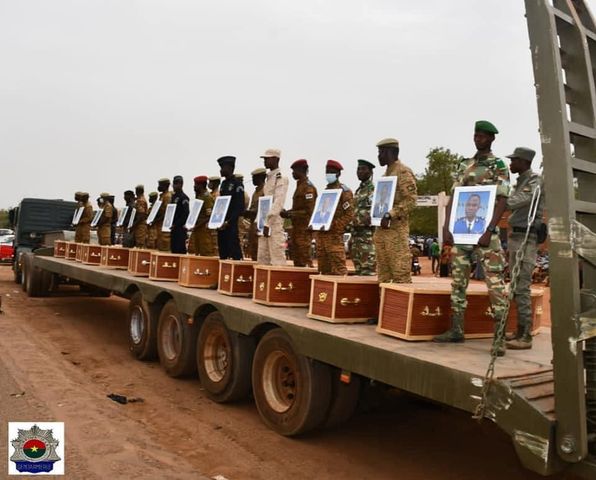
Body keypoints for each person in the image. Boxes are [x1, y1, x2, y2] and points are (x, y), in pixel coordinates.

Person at [433, 120, 510, 354]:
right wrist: (446, 227)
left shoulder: (499, 165)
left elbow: (503, 199)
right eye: (476, 135)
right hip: (462, 233)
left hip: (487, 235)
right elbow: (455, 196)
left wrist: (489, 231)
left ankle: (499, 338)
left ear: (492, 139)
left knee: (494, 284)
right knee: (458, 282)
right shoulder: (465, 164)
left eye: (483, 136)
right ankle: (456, 330)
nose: (478, 138)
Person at [505, 147, 544, 350]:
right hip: (517, 236)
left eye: (514, 160)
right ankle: (520, 330)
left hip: (527, 238)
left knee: (522, 286)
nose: (511, 164)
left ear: (524, 162)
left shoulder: (534, 181)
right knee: (515, 286)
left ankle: (526, 335)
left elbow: (522, 201)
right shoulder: (520, 182)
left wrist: (503, 201)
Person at [373, 138, 417, 283]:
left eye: (381, 152)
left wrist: (390, 214)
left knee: (400, 275)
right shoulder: (386, 176)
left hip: (396, 233)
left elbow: (411, 200)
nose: (379, 156)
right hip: (382, 232)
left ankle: (400, 306)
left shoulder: (402, 172)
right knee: (383, 276)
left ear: (391, 152)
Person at [314, 160, 354, 275]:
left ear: (338, 174)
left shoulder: (344, 192)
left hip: (334, 239)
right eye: (327, 171)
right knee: (323, 272)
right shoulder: (325, 191)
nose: (328, 174)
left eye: (331, 172)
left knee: (339, 271)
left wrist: (335, 225)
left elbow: (349, 215)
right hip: (322, 238)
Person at [281, 159, 317, 267]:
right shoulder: (300, 186)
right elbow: (298, 208)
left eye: (294, 170)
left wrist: (291, 214)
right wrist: (288, 212)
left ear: (302, 170)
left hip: (304, 231)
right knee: (297, 261)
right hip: (296, 230)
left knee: (305, 260)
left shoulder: (308, 187)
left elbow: (309, 211)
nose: (293, 173)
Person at [258, 148, 289, 266]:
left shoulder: (280, 178)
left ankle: (279, 283)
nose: (265, 161)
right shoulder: (269, 178)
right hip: (264, 223)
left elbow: (278, 202)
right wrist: (260, 222)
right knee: (262, 256)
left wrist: (268, 222)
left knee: (277, 256)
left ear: (276, 159)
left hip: (273, 223)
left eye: (267, 159)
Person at [350, 159, 376, 275]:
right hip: (356, 238)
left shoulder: (373, 190)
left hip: (367, 239)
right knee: (358, 271)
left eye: (363, 169)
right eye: (358, 169)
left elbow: (374, 214)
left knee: (368, 272)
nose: (359, 171)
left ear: (370, 172)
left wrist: (358, 221)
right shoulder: (358, 191)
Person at [216, 156, 245, 260]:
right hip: (221, 223)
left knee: (234, 249)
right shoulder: (223, 184)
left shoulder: (237, 184)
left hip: (231, 223)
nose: (220, 170)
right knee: (223, 251)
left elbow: (239, 206)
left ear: (229, 168)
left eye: (222, 167)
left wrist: (229, 221)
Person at [188, 176, 216, 256]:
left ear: (201, 185)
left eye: (196, 184)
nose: (194, 186)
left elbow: (209, 216)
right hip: (198, 230)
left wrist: (197, 225)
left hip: (204, 231)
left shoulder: (207, 197)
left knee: (206, 253)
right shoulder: (199, 197)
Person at [243, 168, 266, 260]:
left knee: (260, 251)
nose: (252, 180)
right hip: (253, 224)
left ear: (260, 178)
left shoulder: (265, 191)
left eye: (254, 178)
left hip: (261, 225)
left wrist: (252, 212)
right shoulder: (255, 193)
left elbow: (265, 209)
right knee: (253, 250)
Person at [170, 175, 190, 254]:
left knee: (179, 250)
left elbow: (185, 214)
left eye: (176, 183)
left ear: (181, 184)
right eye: (173, 183)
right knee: (173, 249)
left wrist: (176, 224)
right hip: (173, 229)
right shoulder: (173, 197)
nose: (174, 186)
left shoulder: (184, 198)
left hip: (180, 229)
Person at [154, 178, 172, 252]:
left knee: (164, 247)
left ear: (166, 185)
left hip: (164, 226)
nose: (159, 187)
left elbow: (166, 213)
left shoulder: (167, 196)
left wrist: (156, 220)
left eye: (160, 185)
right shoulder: (162, 196)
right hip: (159, 226)